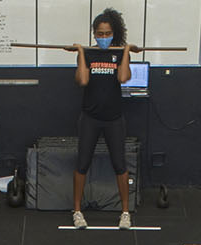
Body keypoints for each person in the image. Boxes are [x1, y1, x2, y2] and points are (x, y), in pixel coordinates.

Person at [70, 9, 134, 230]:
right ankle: (77, 211)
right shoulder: (88, 53)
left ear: (113, 33)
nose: (103, 37)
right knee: (82, 163)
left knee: (120, 164)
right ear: (94, 33)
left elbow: (124, 78)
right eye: (100, 33)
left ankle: (125, 212)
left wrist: (126, 52)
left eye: (107, 33)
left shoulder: (118, 53)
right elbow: (83, 81)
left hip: (114, 119)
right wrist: (80, 51)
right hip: (90, 118)